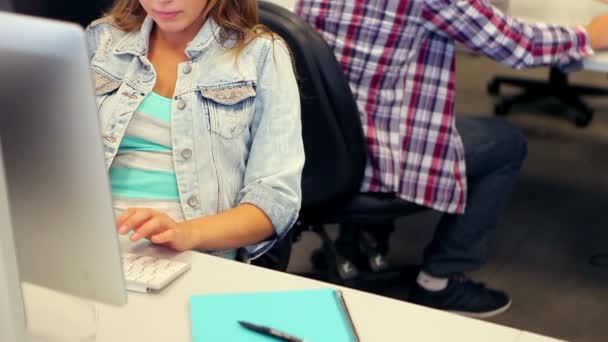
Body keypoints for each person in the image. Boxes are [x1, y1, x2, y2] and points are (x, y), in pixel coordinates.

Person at [295, 0, 608, 317]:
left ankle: (354, 245)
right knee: (506, 143)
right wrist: (588, 37)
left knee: (379, 83)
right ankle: (439, 281)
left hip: (315, 147)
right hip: (375, 152)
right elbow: (517, 44)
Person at [86, 0, 304, 262]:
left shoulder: (262, 55)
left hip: (194, 255)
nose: (161, 2)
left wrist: (186, 233)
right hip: (91, 244)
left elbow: (276, 201)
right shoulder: (102, 39)